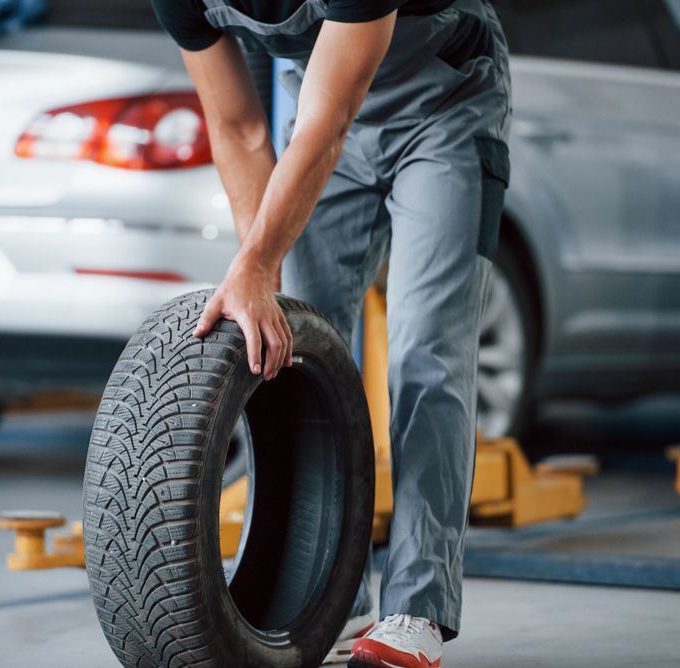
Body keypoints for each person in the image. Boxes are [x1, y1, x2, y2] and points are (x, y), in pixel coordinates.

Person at [150, 1, 511, 665]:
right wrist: (261, 274)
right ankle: (327, 596)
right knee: (293, 356)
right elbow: (238, 128)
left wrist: (257, 263)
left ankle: (416, 610)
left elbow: (330, 116)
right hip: (317, 116)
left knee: (425, 349)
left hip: (444, 107)